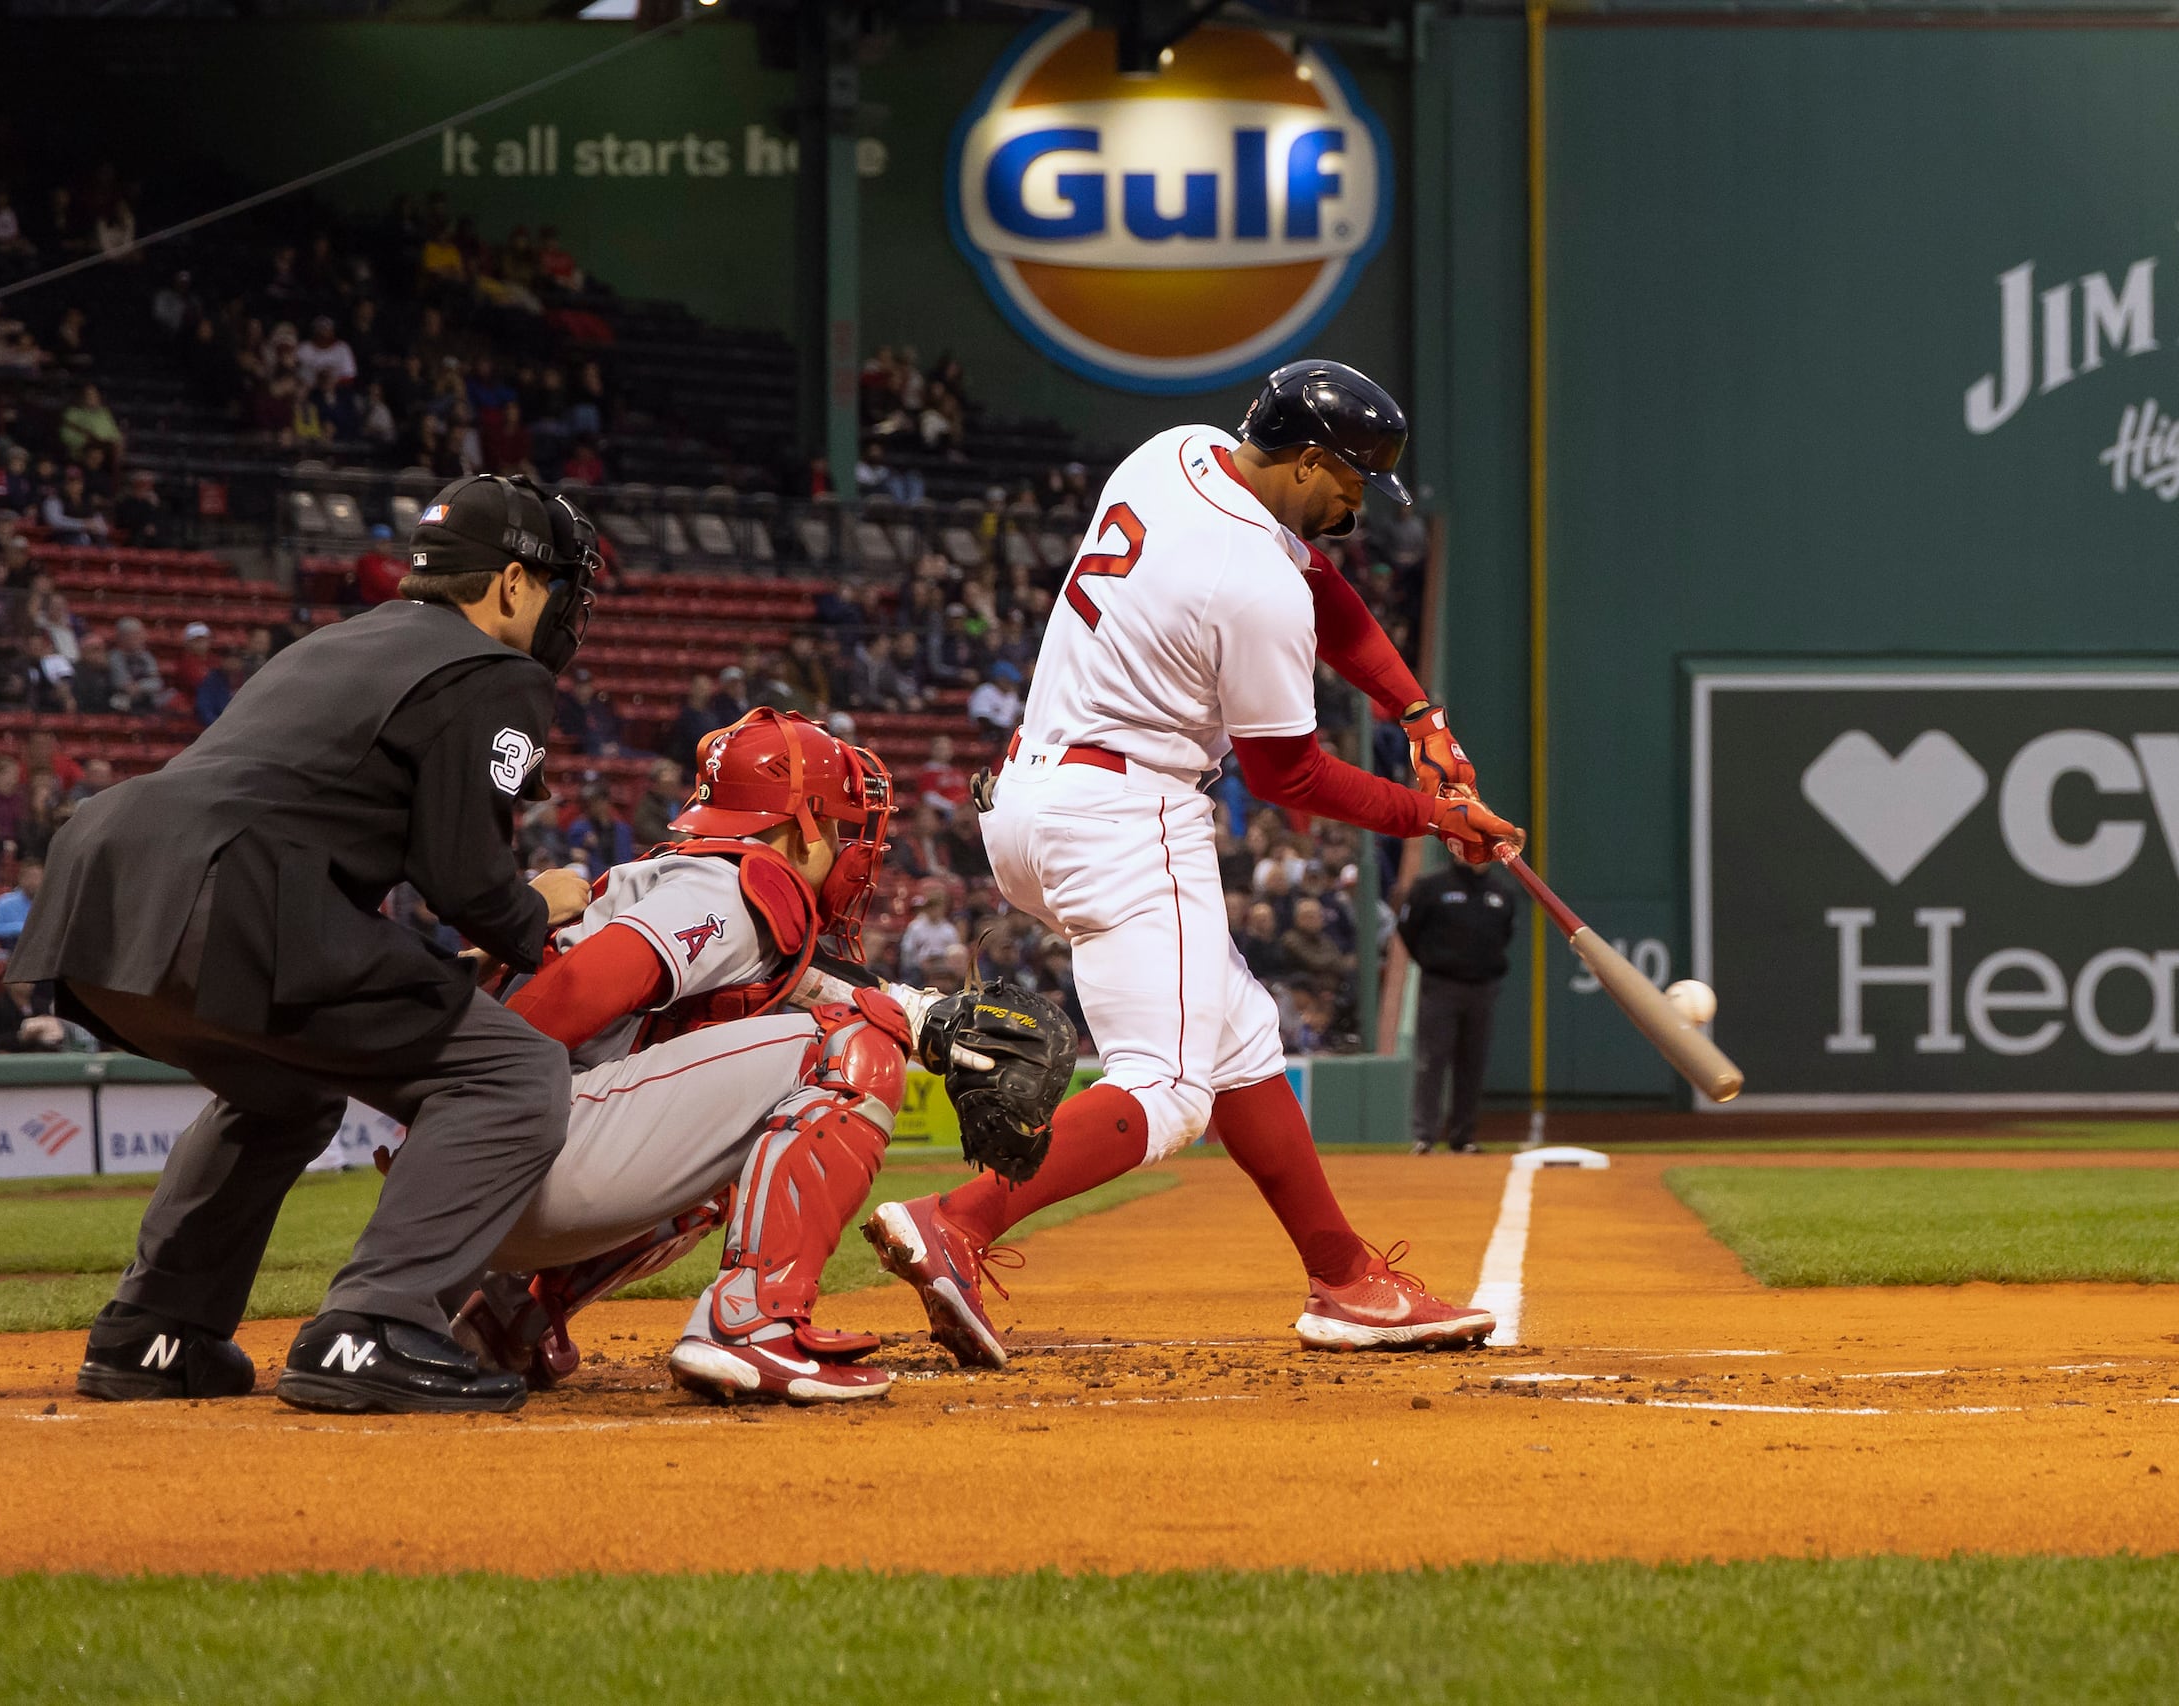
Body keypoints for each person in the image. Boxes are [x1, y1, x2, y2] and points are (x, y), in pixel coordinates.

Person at [863, 359, 1521, 1366]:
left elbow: (1322, 582)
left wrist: (1419, 715)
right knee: (1170, 1090)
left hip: (1030, 797)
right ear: (1309, 462)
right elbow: (1290, 777)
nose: (1356, 505)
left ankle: (1346, 1278)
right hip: (1126, 815)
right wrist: (1435, 816)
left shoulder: (1176, 450)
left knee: (1240, 1036)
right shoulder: (1254, 583)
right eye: (1352, 479)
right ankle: (956, 1220)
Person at [12, 472, 600, 1414]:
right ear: (511, 583)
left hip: (104, 885)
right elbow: (464, 880)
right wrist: (535, 909)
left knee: (285, 1088)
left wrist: (432, 964)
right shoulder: (494, 668)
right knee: (514, 1072)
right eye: (558, 585)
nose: (564, 609)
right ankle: (377, 1326)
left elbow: (309, 823)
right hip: (229, 896)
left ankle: (156, 1332)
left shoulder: (338, 640)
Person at [453, 708, 940, 1405]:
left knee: (752, 1147)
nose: (843, 847)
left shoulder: (692, 875)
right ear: (797, 826)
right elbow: (582, 987)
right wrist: (471, 1103)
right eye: (835, 826)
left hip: (484, 1178)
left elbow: (799, 984)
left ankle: (509, 1317)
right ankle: (752, 1324)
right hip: (512, 1149)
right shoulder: (730, 887)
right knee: (853, 1042)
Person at [1396, 859, 1517, 1154]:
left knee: (1473, 1062)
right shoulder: (1431, 886)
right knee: (1431, 1061)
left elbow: (1505, 934)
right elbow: (1407, 927)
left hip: (1483, 987)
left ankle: (1463, 1136)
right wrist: (1431, 959)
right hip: (1441, 985)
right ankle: (1424, 1136)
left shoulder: (1501, 892)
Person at [0, 856, 40, 944]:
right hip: (12, 947)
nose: (32, 881)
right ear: (20, 879)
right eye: (29, 876)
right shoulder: (5, 901)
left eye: (36, 877)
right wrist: (20, 927)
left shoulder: (51, 904)